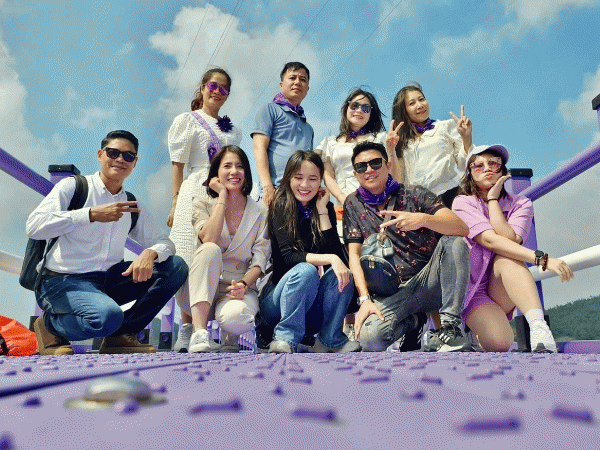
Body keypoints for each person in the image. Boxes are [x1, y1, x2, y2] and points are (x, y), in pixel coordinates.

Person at [26, 130, 188, 355]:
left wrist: (150, 253)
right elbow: (34, 226)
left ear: (135, 163)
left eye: (128, 156)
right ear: (100, 155)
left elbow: (164, 242)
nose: (120, 159)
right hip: (62, 280)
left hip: (106, 280)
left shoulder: (131, 203)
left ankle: (120, 336)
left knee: (176, 267)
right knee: (107, 317)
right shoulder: (74, 187)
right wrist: (89, 214)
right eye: (113, 153)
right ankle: (49, 326)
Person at [343, 141, 471, 352]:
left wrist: (423, 219)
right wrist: (364, 299)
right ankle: (415, 322)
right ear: (356, 174)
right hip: (391, 292)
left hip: (427, 282)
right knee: (370, 340)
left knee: (454, 242)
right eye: (361, 166)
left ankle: (449, 328)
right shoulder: (352, 203)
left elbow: (461, 228)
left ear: (388, 165)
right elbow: (354, 255)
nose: (369, 170)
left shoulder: (415, 193)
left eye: (375, 163)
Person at [452, 145, 574, 352]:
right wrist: (543, 259)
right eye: (478, 165)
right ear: (470, 173)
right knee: (499, 343)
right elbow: (490, 240)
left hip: (502, 283)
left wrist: (493, 200)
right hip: (472, 290)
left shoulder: (521, 203)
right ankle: (472, 329)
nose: (487, 168)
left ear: (502, 169)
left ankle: (539, 328)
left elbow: (510, 240)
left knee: (508, 257)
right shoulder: (463, 203)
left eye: (493, 163)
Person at [167, 68, 242, 352]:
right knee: (188, 255)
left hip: (223, 194)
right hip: (195, 189)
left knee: (217, 255)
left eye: (224, 89)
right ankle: (187, 327)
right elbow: (178, 165)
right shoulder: (187, 121)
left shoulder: (232, 130)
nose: (217, 92)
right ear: (202, 87)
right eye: (213, 86)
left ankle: (215, 328)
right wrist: (175, 202)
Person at [258, 151, 360, 353]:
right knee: (306, 270)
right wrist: (330, 258)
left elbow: (336, 257)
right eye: (298, 177)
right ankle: (285, 338)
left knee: (342, 273)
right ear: (288, 178)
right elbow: (289, 257)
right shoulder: (280, 205)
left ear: (320, 181)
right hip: (277, 304)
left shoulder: (324, 207)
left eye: (313, 179)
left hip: (309, 310)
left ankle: (330, 339)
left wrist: (322, 211)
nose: (305, 185)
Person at [184, 146, 270, 353]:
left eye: (240, 166)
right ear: (216, 172)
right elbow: (209, 239)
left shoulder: (260, 211)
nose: (234, 172)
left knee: (238, 318)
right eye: (227, 166)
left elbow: (260, 258)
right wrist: (222, 196)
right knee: (210, 250)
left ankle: (230, 336)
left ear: (246, 172)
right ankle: (199, 332)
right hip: (203, 285)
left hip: (238, 286)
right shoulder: (201, 203)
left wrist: (243, 284)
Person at [391, 82, 473, 209]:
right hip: (418, 203)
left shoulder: (444, 127)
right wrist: (391, 149)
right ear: (403, 111)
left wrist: (466, 137)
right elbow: (399, 180)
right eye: (412, 103)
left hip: (450, 195)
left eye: (421, 99)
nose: (420, 105)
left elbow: (465, 163)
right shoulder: (400, 142)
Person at [251, 62, 314, 207]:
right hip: (275, 192)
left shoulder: (309, 128)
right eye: (292, 78)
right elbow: (259, 148)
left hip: (301, 195)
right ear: (281, 85)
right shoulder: (269, 110)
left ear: (307, 89)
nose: (297, 82)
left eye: (303, 79)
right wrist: (267, 186)